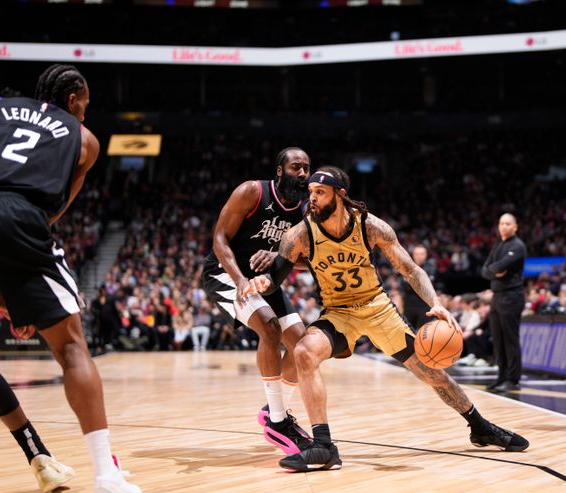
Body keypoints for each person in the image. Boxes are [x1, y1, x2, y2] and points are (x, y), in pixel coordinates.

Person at [0, 64, 142, 493]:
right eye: (85, 105)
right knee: (71, 347)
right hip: (17, 214)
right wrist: (15, 294)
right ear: (74, 100)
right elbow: (49, 214)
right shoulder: (84, 140)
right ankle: (107, 479)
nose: (85, 113)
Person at [243, 166, 529, 472]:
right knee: (303, 351)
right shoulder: (299, 234)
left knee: (430, 371)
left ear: (340, 194)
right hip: (339, 314)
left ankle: (480, 426)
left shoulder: (370, 226)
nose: (311, 198)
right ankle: (323, 447)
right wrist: (263, 283)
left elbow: (411, 270)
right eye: (310, 192)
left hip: (377, 308)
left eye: (319, 193)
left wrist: (436, 304)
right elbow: (276, 277)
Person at [202, 147, 311, 455]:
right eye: (295, 167)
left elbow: (305, 259)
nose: (302, 173)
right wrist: (239, 281)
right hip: (225, 274)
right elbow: (219, 239)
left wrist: (280, 255)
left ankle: (275, 412)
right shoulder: (252, 192)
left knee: (302, 346)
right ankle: (278, 423)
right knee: (269, 327)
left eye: (306, 168)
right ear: (280, 171)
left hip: (265, 281)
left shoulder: (303, 212)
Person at [481, 213, 527, 392]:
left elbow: (496, 266)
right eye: (501, 223)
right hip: (497, 296)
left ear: (515, 227)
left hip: (512, 296)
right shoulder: (498, 245)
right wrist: (494, 271)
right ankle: (501, 377)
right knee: (498, 340)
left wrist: (494, 269)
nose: (504, 226)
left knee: (510, 339)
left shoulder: (518, 246)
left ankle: (512, 379)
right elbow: (485, 270)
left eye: (508, 224)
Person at [400, 244, 435, 330]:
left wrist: (410, 281)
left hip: (425, 305)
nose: (419, 256)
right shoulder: (406, 266)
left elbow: (425, 286)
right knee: (408, 331)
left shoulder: (430, 268)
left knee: (424, 333)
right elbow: (403, 284)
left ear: (426, 255)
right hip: (409, 305)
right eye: (417, 254)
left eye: (422, 254)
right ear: (413, 255)